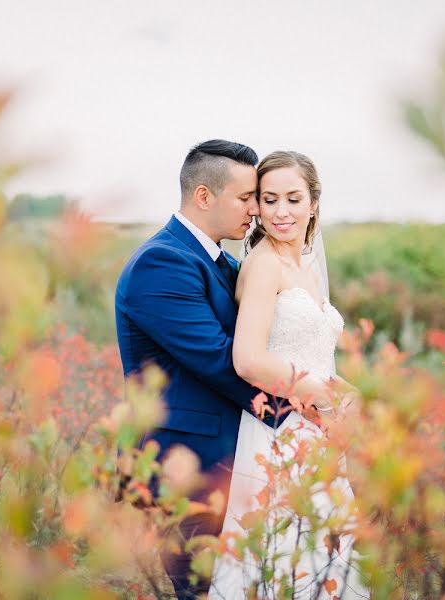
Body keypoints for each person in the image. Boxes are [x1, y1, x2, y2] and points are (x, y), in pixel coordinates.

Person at [114, 139, 292, 598]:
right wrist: (300, 415)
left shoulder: (220, 260)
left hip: (231, 459)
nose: (256, 209)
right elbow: (218, 359)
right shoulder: (163, 262)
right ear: (204, 197)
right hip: (186, 466)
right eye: (246, 197)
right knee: (205, 591)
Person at [209, 151, 370, 598]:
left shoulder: (307, 265)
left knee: (322, 556)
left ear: (313, 203)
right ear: (257, 205)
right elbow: (248, 359)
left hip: (315, 432)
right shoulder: (264, 263)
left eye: (294, 199)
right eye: (270, 199)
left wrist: (345, 393)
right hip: (278, 428)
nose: (281, 212)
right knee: (285, 555)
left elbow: (313, 352)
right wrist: (323, 394)